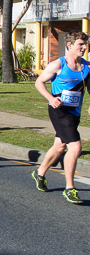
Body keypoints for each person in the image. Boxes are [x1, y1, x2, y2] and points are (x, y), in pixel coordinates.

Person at [32, 31, 90, 204]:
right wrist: (51, 98)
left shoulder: (86, 66)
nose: (85, 47)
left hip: (74, 112)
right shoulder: (58, 64)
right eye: (81, 44)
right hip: (59, 110)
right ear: (70, 45)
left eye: (86, 44)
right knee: (75, 147)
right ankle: (70, 188)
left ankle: (39, 173)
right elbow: (38, 82)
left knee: (59, 146)